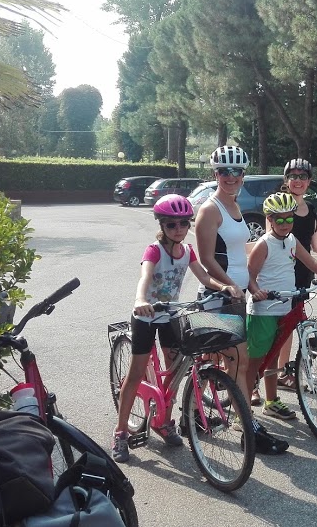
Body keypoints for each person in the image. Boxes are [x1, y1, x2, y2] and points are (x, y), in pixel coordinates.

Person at [112, 194, 229, 463]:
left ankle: (163, 421)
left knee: (175, 370)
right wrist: (141, 300)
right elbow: (145, 276)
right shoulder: (154, 250)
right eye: (171, 224)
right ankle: (120, 432)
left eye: (183, 223)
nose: (178, 229)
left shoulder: (187, 251)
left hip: (170, 316)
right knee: (136, 373)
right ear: (162, 226)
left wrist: (224, 286)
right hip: (146, 316)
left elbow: (204, 276)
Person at [195, 145, 288, 453]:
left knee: (222, 360)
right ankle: (248, 427)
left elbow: (237, 256)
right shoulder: (210, 210)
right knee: (239, 360)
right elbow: (207, 259)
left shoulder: (234, 206)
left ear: (243, 174)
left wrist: (251, 283)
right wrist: (229, 286)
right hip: (218, 297)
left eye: (236, 171)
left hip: (237, 294)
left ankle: (200, 415)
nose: (231, 177)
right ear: (215, 174)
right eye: (224, 171)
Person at [244, 192, 317, 423]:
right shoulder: (264, 244)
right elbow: (249, 275)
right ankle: (243, 411)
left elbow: (311, 261)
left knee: (274, 356)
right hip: (264, 309)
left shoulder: (291, 240)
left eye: (289, 219)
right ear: (269, 219)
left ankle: (271, 402)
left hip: (285, 305)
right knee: (255, 361)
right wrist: (255, 291)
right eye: (279, 219)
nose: (285, 224)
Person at [274, 158, 317, 391]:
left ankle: (281, 372)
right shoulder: (279, 205)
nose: (298, 181)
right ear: (286, 179)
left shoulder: (311, 209)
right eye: (293, 176)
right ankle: (265, 375)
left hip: (302, 275)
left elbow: (316, 246)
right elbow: (272, 243)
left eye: (303, 177)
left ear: (309, 181)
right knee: (275, 328)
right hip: (281, 274)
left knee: (288, 326)